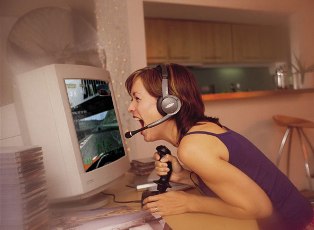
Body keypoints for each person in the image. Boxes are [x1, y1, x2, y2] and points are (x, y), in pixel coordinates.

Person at [125, 63, 313, 230]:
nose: (130, 108)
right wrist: (183, 176)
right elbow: (234, 187)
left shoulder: (193, 148)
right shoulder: (204, 130)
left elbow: (260, 208)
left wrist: (188, 202)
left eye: (137, 98)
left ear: (169, 105)